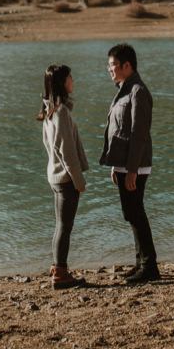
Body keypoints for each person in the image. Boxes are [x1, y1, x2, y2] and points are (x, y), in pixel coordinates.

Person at [99, 43, 159, 283]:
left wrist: (132, 170)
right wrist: (117, 165)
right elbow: (120, 131)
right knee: (131, 213)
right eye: (109, 65)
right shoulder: (125, 88)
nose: (109, 69)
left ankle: (150, 266)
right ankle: (141, 263)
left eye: (113, 64)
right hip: (125, 165)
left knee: (135, 213)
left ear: (127, 65)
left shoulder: (138, 91)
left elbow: (138, 134)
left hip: (136, 165)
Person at [37, 63, 88, 289]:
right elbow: (66, 151)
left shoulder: (49, 109)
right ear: (62, 83)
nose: (73, 81)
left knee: (61, 225)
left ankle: (58, 267)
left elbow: (53, 146)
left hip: (54, 175)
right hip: (65, 178)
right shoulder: (61, 112)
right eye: (70, 77)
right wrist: (79, 181)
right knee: (65, 227)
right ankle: (60, 273)